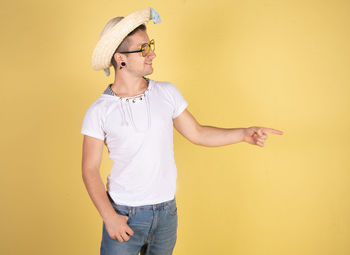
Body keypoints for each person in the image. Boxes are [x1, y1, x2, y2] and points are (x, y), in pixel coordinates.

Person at [81, 7, 284, 255]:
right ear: (120, 58)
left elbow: (197, 133)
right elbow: (90, 169)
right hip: (124, 215)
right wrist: (109, 217)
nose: (152, 54)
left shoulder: (166, 93)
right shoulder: (99, 111)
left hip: (166, 213)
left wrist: (243, 134)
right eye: (144, 48)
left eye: (151, 45)